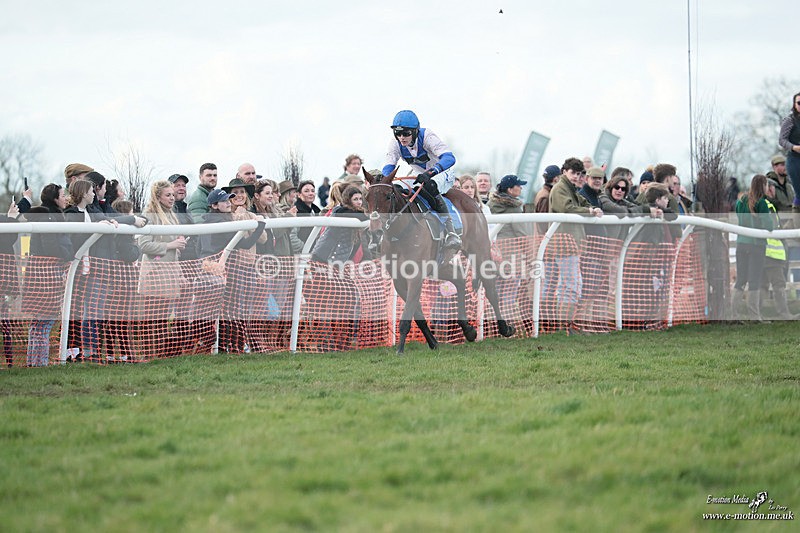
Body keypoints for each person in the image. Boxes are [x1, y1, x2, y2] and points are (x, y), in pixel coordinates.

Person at [382, 109, 460, 249]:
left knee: (429, 185)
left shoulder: (427, 136)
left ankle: (450, 231)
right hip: (419, 174)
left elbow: (449, 158)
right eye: (398, 133)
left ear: (415, 131)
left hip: (442, 172)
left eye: (406, 133)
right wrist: (385, 182)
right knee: (399, 188)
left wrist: (432, 172)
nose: (401, 137)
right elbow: (389, 166)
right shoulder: (395, 142)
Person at [549, 158, 603, 328]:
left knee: (571, 285)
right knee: (571, 285)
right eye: (573, 173)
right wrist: (590, 211)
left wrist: (591, 208)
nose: (576, 176)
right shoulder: (560, 189)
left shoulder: (570, 189)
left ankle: (564, 325)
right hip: (564, 243)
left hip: (570, 243)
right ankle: (563, 325)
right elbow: (567, 208)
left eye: (579, 174)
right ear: (564, 171)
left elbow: (581, 202)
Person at [24, 184, 71, 367]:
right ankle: (39, 363)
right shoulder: (50, 218)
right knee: (44, 321)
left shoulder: (52, 216)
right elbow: (51, 245)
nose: (65, 197)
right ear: (54, 198)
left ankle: (34, 363)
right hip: (47, 275)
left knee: (39, 323)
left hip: (41, 274)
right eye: (62, 194)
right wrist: (69, 255)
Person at [734, 174, 773, 321]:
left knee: (740, 280)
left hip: (741, 244)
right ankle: (754, 316)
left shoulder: (741, 201)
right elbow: (769, 226)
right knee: (754, 280)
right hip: (756, 246)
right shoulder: (762, 202)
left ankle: (734, 314)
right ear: (763, 185)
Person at [761, 179, 796, 319]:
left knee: (762, 283)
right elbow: (772, 227)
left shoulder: (764, 204)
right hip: (772, 252)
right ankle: (783, 313)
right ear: (769, 189)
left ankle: (757, 313)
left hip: (765, 251)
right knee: (778, 284)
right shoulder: (767, 205)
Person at [311, 186, 370, 264]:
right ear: (348, 200)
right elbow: (363, 217)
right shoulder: (342, 211)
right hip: (325, 257)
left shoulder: (349, 212)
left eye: (360, 199)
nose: (359, 202)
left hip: (335, 258)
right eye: (355, 199)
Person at [488, 175, 530, 240]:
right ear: (510, 190)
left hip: (492, 244)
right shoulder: (514, 208)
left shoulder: (489, 204)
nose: (521, 188)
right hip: (511, 246)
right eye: (518, 186)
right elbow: (521, 233)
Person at [777, 91, 800, 212]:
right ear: (794, 105)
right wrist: (794, 147)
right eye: (799, 103)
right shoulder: (790, 120)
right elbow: (782, 140)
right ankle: (796, 224)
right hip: (795, 160)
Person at [533, 165, 561, 235]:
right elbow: (543, 223)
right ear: (556, 179)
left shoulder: (544, 192)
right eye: (560, 177)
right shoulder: (545, 196)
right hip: (545, 238)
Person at [294, 179, 321, 245]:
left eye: (313, 191)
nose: (311, 193)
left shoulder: (317, 211)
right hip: (302, 253)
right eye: (306, 191)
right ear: (299, 194)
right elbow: (292, 236)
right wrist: (304, 248)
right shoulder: (296, 211)